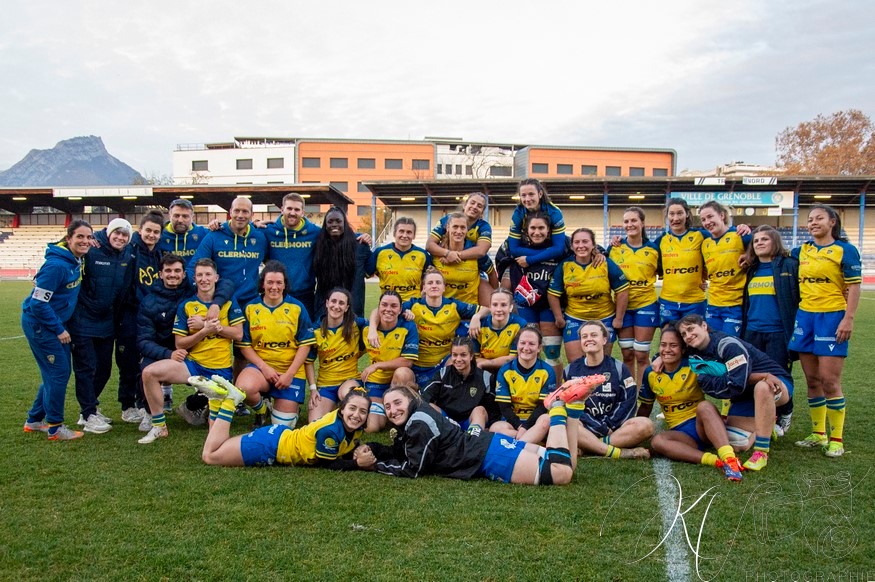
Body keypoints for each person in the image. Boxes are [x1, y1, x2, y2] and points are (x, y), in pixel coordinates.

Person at [362, 383, 585, 485]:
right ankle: (574, 409)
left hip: (488, 457)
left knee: (561, 474)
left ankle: (557, 406)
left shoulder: (419, 422)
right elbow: (401, 450)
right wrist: (373, 448)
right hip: (488, 445)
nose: (392, 410)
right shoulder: (418, 415)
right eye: (387, 407)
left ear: (411, 400)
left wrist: (373, 466)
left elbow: (414, 468)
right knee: (567, 464)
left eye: (397, 402)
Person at [138, 258, 244, 444]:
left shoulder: (227, 302)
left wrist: (211, 327)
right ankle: (159, 426)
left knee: (215, 433)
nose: (204, 279)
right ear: (194, 279)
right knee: (149, 372)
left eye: (208, 274)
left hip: (220, 370)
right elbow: (180, 343)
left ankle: (196, 407)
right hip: (194, 366)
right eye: (200, 275)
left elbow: (238, 334)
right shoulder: (187, 305)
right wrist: (204, 332)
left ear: (216, 277)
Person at [676, 314, 793, 471]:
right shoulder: (694, 355)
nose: (688, 336)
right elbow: (711, 385)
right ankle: (767, 423)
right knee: (737, 443)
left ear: (704, 326)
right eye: (684, 334)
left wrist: (760, 376)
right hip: (745, 396)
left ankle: (761, 453)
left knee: (762, 387)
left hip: (775, 382)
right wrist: (658, 358)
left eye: (691, 329)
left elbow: (737, 384)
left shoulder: (727, 345)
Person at [789, 204, 861, 458]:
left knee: (829, 381)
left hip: (832, 317)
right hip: (805, 317)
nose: (813, 223)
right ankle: (818, 434)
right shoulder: (800, 251)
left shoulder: (845, 250)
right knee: (812, 380)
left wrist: (848, 319)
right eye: (810, 219)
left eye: (819, 218)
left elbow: (854, 287)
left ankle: (836, 439)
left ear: (832, 222)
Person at [638, 325, 745, 481]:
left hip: (704, 427)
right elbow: (646, 406)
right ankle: (715, 461)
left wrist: (764, 376)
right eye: (663, 345)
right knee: (657, 441)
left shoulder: (694, 365)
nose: (667, 350)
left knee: (705, 406)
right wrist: (636, 434)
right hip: (683, 436)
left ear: (683, 349)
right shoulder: (650, 373)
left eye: (673, 345)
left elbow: (729, 370)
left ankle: (729, 459)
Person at [22, 220, 93, 441]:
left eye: (89, 237)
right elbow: (38, 303)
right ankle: (55, 427)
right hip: (42, 325)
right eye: (80, 237)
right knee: (58, 373)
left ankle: (34, 420)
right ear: (68, 238)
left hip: (54, 323)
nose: (85, 241)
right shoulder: (56, 266)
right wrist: (58, 328)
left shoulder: (76, 260)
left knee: (55, 373)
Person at [200, 381, 374, 470]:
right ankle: (229, 402)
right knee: (210, 456)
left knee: (218, 447)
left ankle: (215, 401)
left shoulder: (354, 427)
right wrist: (357, 463)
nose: (356, 415)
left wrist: (358, 449)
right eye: (352, 408)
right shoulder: (330, 430)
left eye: (362, 411)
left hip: (279, 437)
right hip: (270, 446)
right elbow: (327, 464)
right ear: (342, 409)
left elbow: (344, 446)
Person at [69, 218, 136, 434]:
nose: (120, 238)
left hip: (108, 321)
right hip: (83, 320)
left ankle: (89, 409)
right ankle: (88, 414)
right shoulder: (91, 248)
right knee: (86, 368)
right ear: (108, 233)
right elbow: (66, 246)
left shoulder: (128, 254)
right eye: (117, 233)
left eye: (124, 235)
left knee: (104, 370)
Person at [235, 261, 315, 429]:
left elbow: (305, 345)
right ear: (262, 284)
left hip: (289, 371)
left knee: (282, 426)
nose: (274, 287)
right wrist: (264, 368)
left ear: (285, 285)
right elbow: (245, 345)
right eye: (270, 282)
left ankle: (291, 407)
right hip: (262, 369)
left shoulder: (296, 307)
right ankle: (262, 409)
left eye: (279, 282)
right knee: (244, 387)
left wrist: (289, 374)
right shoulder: (251, 308)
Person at [740, 225, 800, 435]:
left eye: (764, 239)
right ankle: (757, 416)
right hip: (752, 332)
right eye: (756, 241)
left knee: (778, 375)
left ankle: (784, 412)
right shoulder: (752, 269)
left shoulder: (789, 265)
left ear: (775, 241)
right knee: (753, 375)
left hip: (778, 332)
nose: (759, 243)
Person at [381, 267, 485, 387]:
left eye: (438, 282)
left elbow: (487, 309)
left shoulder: (453, 305)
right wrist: (374, 328)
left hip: (442, 363)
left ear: (444, 287)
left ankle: (452, 396)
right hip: (416, 365)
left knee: (457, 365)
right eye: (430, 283)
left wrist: (476, 316)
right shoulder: (413, 304)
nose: (434, 286)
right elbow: (380, 312)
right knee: (401, 374)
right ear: (424, 288)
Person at [563, 320, 652, 459]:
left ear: (604, 340)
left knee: (646, 425)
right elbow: (568, 405)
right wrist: (598, 426)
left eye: (594, 335)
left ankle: (590, 446)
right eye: (584, 336)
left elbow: (628, 402)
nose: (589, 339)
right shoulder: (570, 370)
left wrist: (609, 425)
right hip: (585, 427)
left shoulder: (618, 368)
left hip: (613, 429)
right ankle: (616, 451)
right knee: (566, 422)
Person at [495, 211, 567, 378]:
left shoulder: (562, 244)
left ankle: (554, 389)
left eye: (541, 228)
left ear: (549, 230)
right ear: (526, 230)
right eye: (533, 228)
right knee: (529, 350)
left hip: (550, 305)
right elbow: (505, 269)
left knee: (552, 351)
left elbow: (585, 247)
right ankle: (530, 387)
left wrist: (600, 252)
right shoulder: (513, 245)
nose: (537, 232)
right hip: (525, 305)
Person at [549, 228, 629, 361]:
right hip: (575, 318)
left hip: (604, 318)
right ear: (572, 246)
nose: (581, 246)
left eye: (585, 241)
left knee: (600, 364)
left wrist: (619, 318)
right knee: (576, 364)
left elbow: (622, 290)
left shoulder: (605, 263)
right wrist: (559, 318)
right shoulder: (565, 266)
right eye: (577, 242)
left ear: (593, 244)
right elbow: (552, 294)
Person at [116, 211, 165, 417]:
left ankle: (143, 403)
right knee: (128, 361)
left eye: (156, 232)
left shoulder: (160, 254)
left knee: (146, 361)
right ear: (140, 229)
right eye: (148, 230)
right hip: (130, 313)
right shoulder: (130, 249)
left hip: (151, 315)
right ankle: (127, 405)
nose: (151, 235)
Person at [609, 207, 660, 387]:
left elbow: (667, 271)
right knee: (628, 354)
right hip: (622, 308)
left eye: (633, 220)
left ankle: (643, 393)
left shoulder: (654, 249)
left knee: (641, 355)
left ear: (642, 223)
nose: (629, 224)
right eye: (626, 221)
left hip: (646, 305)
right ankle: (630, 393)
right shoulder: (615, 248)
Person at [188, 196, 267, 308]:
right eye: (237, 211)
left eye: (245, 211)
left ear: (252, 214)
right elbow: (194, 267)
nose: (240, 215)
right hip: (222, 302)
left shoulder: (260, 238)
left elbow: (272, 263)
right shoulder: (215, 235)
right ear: (230, 212)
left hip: (251, 302)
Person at [306, 287, 368, 422]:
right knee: (315, 423)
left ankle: (343, 404)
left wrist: (373, 328)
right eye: (333, 301)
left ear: (347, 308)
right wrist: (313, 389)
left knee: (347, 395)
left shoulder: (355, 324)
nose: (336, 306)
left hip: (349, 380)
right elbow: (309, 362)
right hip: (326, 385)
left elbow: (379, 319)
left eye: (341, 303)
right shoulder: (315, 331)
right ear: (327, 303)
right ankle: (336, 406)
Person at [361, 290, 418, 432]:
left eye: (394, 306)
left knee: (403, 372)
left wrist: (378, 365)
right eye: (384, 305)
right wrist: (372, 329)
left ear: (400, 309)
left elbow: (408, 362)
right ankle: (384, 409)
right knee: (371, 427)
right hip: (376, 383)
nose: (388, 309)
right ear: (379, 306)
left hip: (398, 380)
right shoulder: (367, 327)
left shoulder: (408, 326)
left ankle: (401, 414)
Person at [420, 336, 500, 434]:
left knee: (480, 410)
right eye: (455, 355)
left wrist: (490, 426)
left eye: (463, 355)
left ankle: (473, 439)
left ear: (471, 356)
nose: (458, 359)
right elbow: (424, 397)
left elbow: (493, 410)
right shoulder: (443, 373)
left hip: (469, 422)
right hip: (447, 421)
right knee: (428, 406)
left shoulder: (485, 377)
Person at [490, 325, 558, 438]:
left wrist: (526, 427)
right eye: (522, 343)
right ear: (517, 345)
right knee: (495, 428)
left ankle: (518, 442)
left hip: (537, 421)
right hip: (513, 423)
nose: (526, 348)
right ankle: (531, 440)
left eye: (531, 344)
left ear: (539, 348)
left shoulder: (547, 371)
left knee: (546, 420)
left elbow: (542, 406)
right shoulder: (505, 370)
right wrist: (520, 427)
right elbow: (504, 407)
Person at [426, 192, 494, 304]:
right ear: (464, 205)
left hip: (472, 267)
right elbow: (429, 245)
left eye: (479, 206)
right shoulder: (447, 219)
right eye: (472, 203)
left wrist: (455, 256)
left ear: (482, 211)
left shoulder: (483, 226)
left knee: (487, 292)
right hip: (445, 261)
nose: (475, 207)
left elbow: (481, 250)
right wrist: (447, 253)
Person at [264, 193, 321, 317]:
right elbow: (247, 232)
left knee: (305, 329)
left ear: (303, 212)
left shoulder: (314, 232)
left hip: (305, 295)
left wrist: (361, 236)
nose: (292, 213)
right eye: (289, 208)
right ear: (282, 210)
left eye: (297, 209)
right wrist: (254, 224)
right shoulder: (268, 231)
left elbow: (339, 234)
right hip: (277, 294)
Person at [699, 200, 751, 336]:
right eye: (703, 219)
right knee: (713, 343)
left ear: (722, 215)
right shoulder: (705, 244)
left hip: (735, 305)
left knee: (730, 344)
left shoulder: (741, 235)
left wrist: (749, 256)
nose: (707, 222)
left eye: (710, 216)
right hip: (713, 305)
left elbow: (759, 254)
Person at [654, 198, 708, 325]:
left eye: (680, 213)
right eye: (671, 214)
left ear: (687, 214)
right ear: (667, 216)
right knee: (669, 336)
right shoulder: (661, 241)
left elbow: (723, 237)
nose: (675, 218)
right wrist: (618, 241)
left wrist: (741, 228)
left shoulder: (701, 236)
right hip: (668, 301)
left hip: (694, 302)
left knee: (693, 336)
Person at [312, 206, 371, 318]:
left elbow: (371, 270)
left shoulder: (360, 245)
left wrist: (365, 237)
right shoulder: (318, 246)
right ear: (325, 225)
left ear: (344, 223)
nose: (334, 224)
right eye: (330, 222)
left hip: (353, 309)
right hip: (323, 307)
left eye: (338, 221)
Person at [366, 217, 431, 302]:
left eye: (409, 232)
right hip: (388, 304)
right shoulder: (380, 253)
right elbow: (366, 274)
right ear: (394, 233)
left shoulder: (423, 255)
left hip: (413, 305)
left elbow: (430, 279)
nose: (405, 235)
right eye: (401, 231)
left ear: (414, 235)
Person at [506, 179, 567, 266]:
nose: (527, 199)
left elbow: (558, 249)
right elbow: (514, 249)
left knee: (567, 243)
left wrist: (530, 259)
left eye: (531, 194)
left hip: (548, 243)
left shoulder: (555, 213)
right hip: (531, 244)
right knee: (505, 248)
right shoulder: (518, 214)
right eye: (523, 195)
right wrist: (549, 253)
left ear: (540, 194)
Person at [470, 288, 527, 374]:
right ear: (490, 307)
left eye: (503, 305)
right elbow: (474, 358)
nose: (499, 309)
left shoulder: (520, 325)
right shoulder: (478, 325)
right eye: (495, 305)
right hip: (483, 370)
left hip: (510, 370)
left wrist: (486, 363)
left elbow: (512, 358)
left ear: (510, 307)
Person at [158, 198, 209, 266]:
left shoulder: (204, 233)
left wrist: (217, 225)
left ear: (192, 217)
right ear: (169, 215)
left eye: (185, 216)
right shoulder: (159, 235)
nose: (180, 220)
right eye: (176, 216)